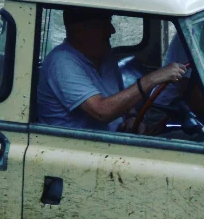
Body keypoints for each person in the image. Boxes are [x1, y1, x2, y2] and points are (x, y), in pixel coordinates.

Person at [37, 8, 188, 131]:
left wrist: (131, 117)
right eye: (104, 25)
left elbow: (120, 99)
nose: (112, 30)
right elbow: (102, 111)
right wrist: (153, 78)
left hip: (113, 142)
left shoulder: (103, 54)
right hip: (78, 151)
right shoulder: (61, 62)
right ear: (78, 31)